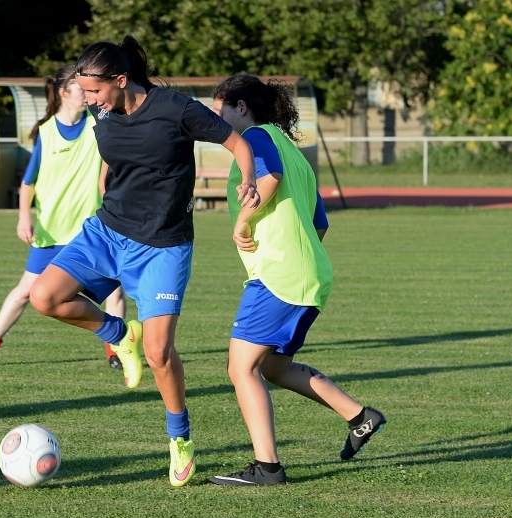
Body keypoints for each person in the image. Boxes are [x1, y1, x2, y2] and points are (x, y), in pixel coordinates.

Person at [29, 36, 260, 487]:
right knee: (44, 296)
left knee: (159, 354)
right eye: (84, 90)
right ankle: (119, 333)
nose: (88, 99)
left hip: (163, 245)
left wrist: (248, 180)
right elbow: (110, 158)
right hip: (107, 231)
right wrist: (103, 189)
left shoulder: (177, 109)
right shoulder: (103, 113)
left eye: (94, 90)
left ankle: (180, 439)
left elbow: (238, 143)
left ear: (120, 80)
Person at [207, 74, 386, 487]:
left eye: (220, 110)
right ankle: (360, 417)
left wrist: (242, 221)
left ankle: (267, 469)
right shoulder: (293, 149)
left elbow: (268, 180)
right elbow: (319, 222)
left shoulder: (254, 138)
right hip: (309, 276)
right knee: (271, 366)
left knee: (240, 369)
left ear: (241, 108)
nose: (216, 119)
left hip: (279, 276)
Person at [0, 65, 126, 369]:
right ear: (64, 93)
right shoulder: (47, 131)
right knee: (25, 292)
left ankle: (116, 352)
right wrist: (24, 217)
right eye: (82, 90)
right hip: (51, 230)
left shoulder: (99, 123)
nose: (88, 95)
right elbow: (28, 182)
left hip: (90, 230)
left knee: (114, 290)